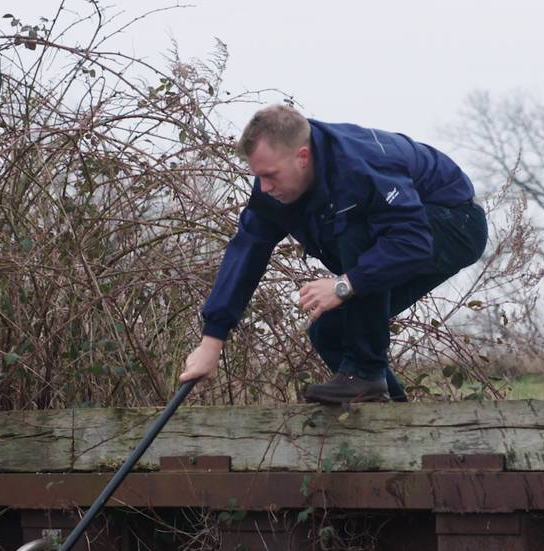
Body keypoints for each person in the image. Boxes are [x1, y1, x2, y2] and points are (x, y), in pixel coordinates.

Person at [178, 105, 488, 403]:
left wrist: (345, 285)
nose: (264, 186)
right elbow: (247, 250)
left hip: (454, 223)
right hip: (394, 241)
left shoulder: (359, 166)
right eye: (258, 176)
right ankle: (387, 415)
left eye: (270, 175)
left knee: (358, 231)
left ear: (302, 157)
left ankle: (366, 373)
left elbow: (411, 241)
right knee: (329, 330)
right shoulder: (273, 189)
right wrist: (212, 341)